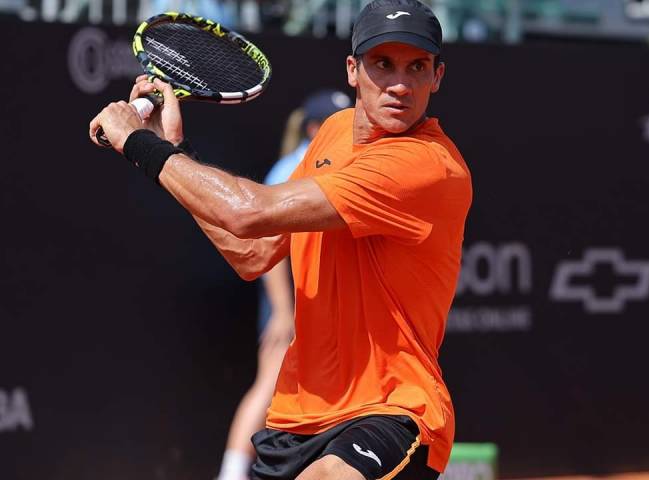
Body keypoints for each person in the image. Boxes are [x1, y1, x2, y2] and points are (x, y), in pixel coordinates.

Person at [89, 0, 472, 478]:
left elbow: (248, 212)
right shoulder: (334, 133)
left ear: (437, 76)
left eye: (417, 67)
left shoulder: (428, 166)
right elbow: (254, 253)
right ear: (352, 70)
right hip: (297, 416)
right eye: (383, 64)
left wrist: (140, 144)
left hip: (392, 408)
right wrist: (171, 151)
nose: (400, 84)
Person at [218, 90, 351, 480]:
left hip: (319, 306)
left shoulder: (341, 163)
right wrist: (282, 311)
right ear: (313, 129)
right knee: (268, 388)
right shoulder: (291, 169)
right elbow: (269, 248)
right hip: (290, 307)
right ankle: (230, 474)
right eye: (334, 122)